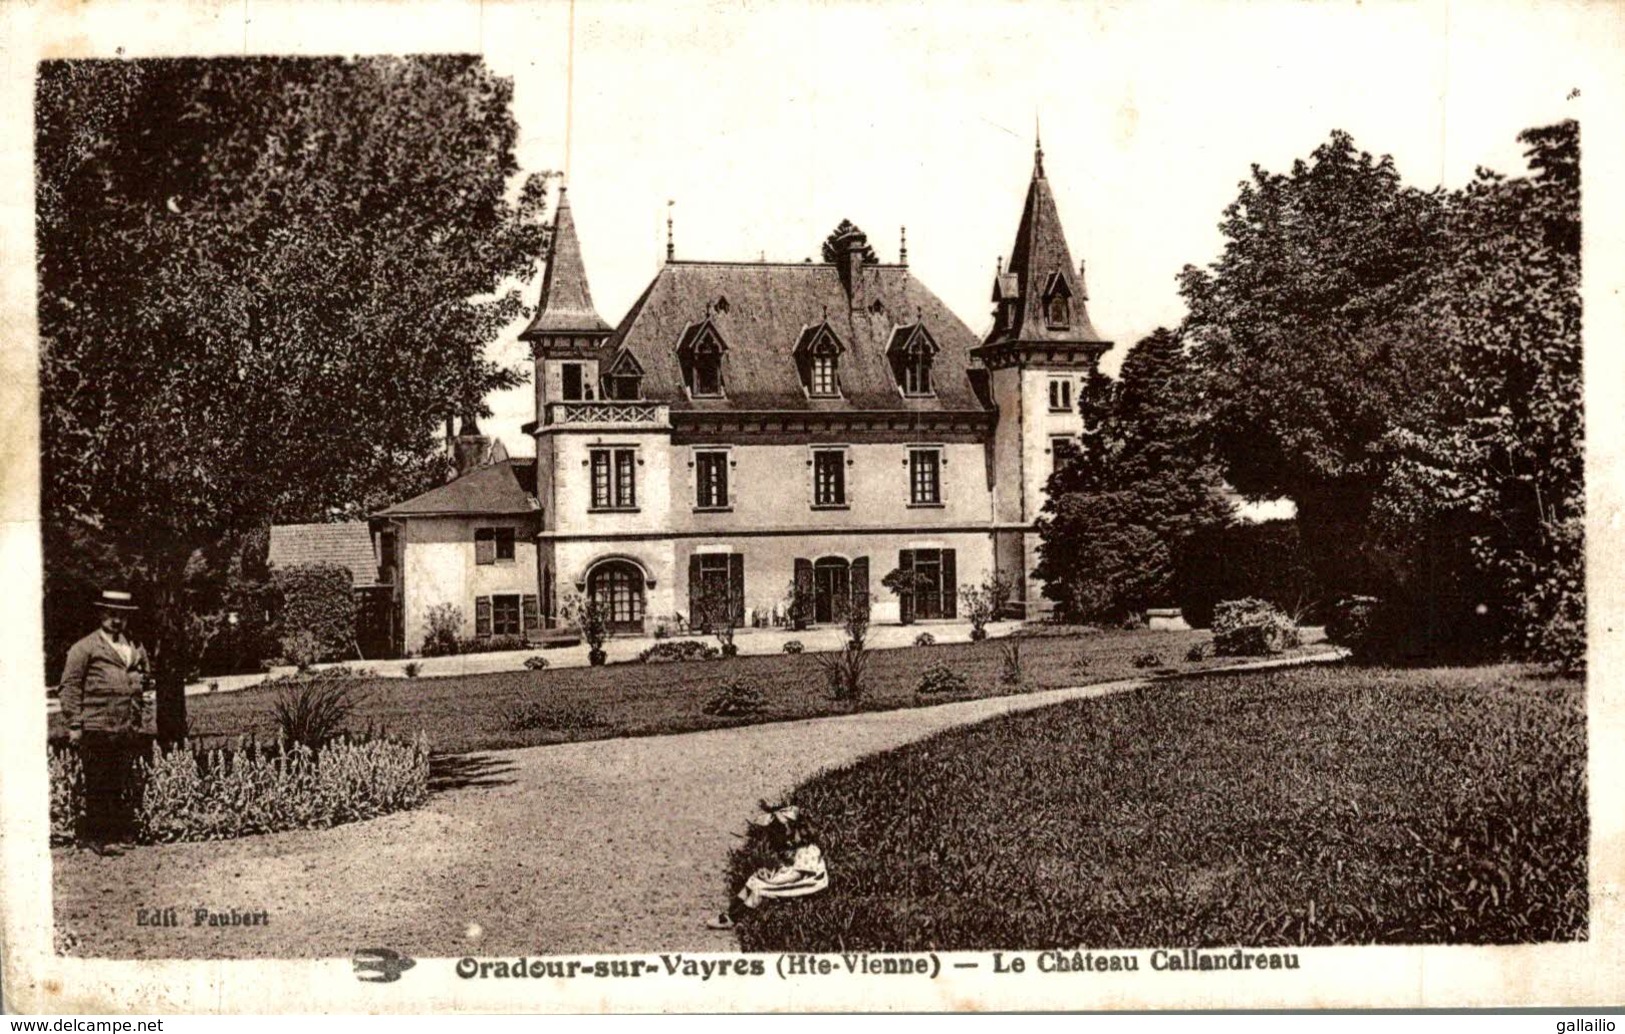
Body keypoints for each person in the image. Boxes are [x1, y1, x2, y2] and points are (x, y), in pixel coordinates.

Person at [59, 588, 152, 854]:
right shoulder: (85, 648)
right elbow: (69, 686)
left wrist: (139, 710)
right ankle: (100, 838)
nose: (116, 621)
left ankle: (120, 832)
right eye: (111, 615)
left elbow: (143, 678)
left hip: (126, 725)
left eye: (121, 616)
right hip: (97, 725)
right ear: (101, 615)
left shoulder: (133, 647)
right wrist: (75, 724)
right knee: (99, 782)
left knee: (121, 780)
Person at [708, 804, 828, 930]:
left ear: (801, 832)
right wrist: (770, 874)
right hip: (794, 876)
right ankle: (730, 912)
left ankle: (735, 918)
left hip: (809, 884)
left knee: (761, 889)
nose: (787, 839)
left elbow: (796, 876)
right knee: (753, 879)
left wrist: (772, 881)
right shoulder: (798, 848)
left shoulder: (809, 851)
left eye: (790, 834)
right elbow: (789, 868)